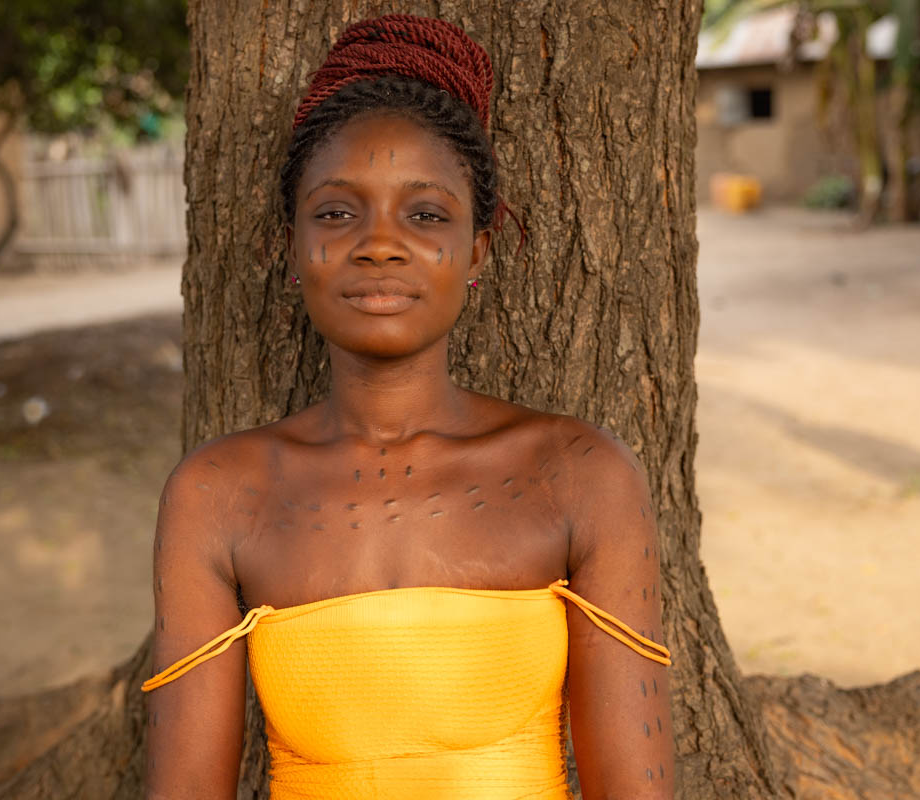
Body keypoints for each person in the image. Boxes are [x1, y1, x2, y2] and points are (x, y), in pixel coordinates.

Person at [142, 14, 674, 800]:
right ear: (292, 248)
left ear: (476, 252)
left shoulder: (580, 475)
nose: (379, 244)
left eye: (425, 215)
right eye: (336, 213)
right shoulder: (219, 493)